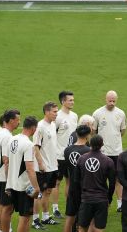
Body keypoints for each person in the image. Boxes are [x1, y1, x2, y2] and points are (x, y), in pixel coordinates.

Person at [92, 90, 127, 212]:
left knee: (118, 179)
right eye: (109, 100)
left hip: (117, 152)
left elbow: (122, 130)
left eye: (114, 101)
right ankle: (103, 202)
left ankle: (120, 203)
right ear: (105, 99)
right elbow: (94, 132)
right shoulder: (97, 113)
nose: (112, 103)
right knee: (101, 179)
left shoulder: (121, 113)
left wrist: (115, 140)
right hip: (102, 153)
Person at [6, 116, 41, 232]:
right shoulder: (28, 144)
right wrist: (36, 188)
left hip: (12, 185)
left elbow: (6, 162)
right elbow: (30, 169)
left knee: (20, 215)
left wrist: (7, 183)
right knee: (25, 217)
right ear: (33, 128)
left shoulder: (12, 139)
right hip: (23, 187)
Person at [75, 135, 116, 232]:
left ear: (89, 144)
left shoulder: (81, 159)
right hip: (101, 199)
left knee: (82, 228)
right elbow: (112, 183)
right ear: (102, 145)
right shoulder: (108, 161)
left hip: (86, 199)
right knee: (99, 229)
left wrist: (81, 195)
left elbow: (76, 181)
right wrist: (109, 198)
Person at [0, 109, 21, 232]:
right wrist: (10, 182)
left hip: (0, 175)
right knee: (7, 208)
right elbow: (6, 159)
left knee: (4, 206)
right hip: (6, 178)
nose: (19, 122)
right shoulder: (7, 136)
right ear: (11, 121)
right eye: (17, 119)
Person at [32, 102, 59, 229]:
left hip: (53, 166)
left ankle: (46, 217)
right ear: (47, 112)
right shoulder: (40, 127)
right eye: (54, 111)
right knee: (39, 193)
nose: (56, 114)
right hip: (43, 167)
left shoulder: (53, 125)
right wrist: (41, 163)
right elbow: (35, 147)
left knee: (48, 191)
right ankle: (35, 220)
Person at [53, 91, 78, 219]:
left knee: (70, 182)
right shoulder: (57, 117)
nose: (72, 102)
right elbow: (52, 136)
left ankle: (69, 206)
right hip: (59, 156)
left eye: (73, 100)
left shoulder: (74, 116)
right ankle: (55, 209)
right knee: (57, 182)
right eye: (70, 100)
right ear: (63, 101)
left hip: (71, 156)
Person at [63, 125, 92, 232]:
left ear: (76, 134)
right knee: (85, 220)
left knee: (70, 217)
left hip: (72, 187)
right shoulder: (89, 151)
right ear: (88, 135)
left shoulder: (67, 150)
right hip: (85, 188)